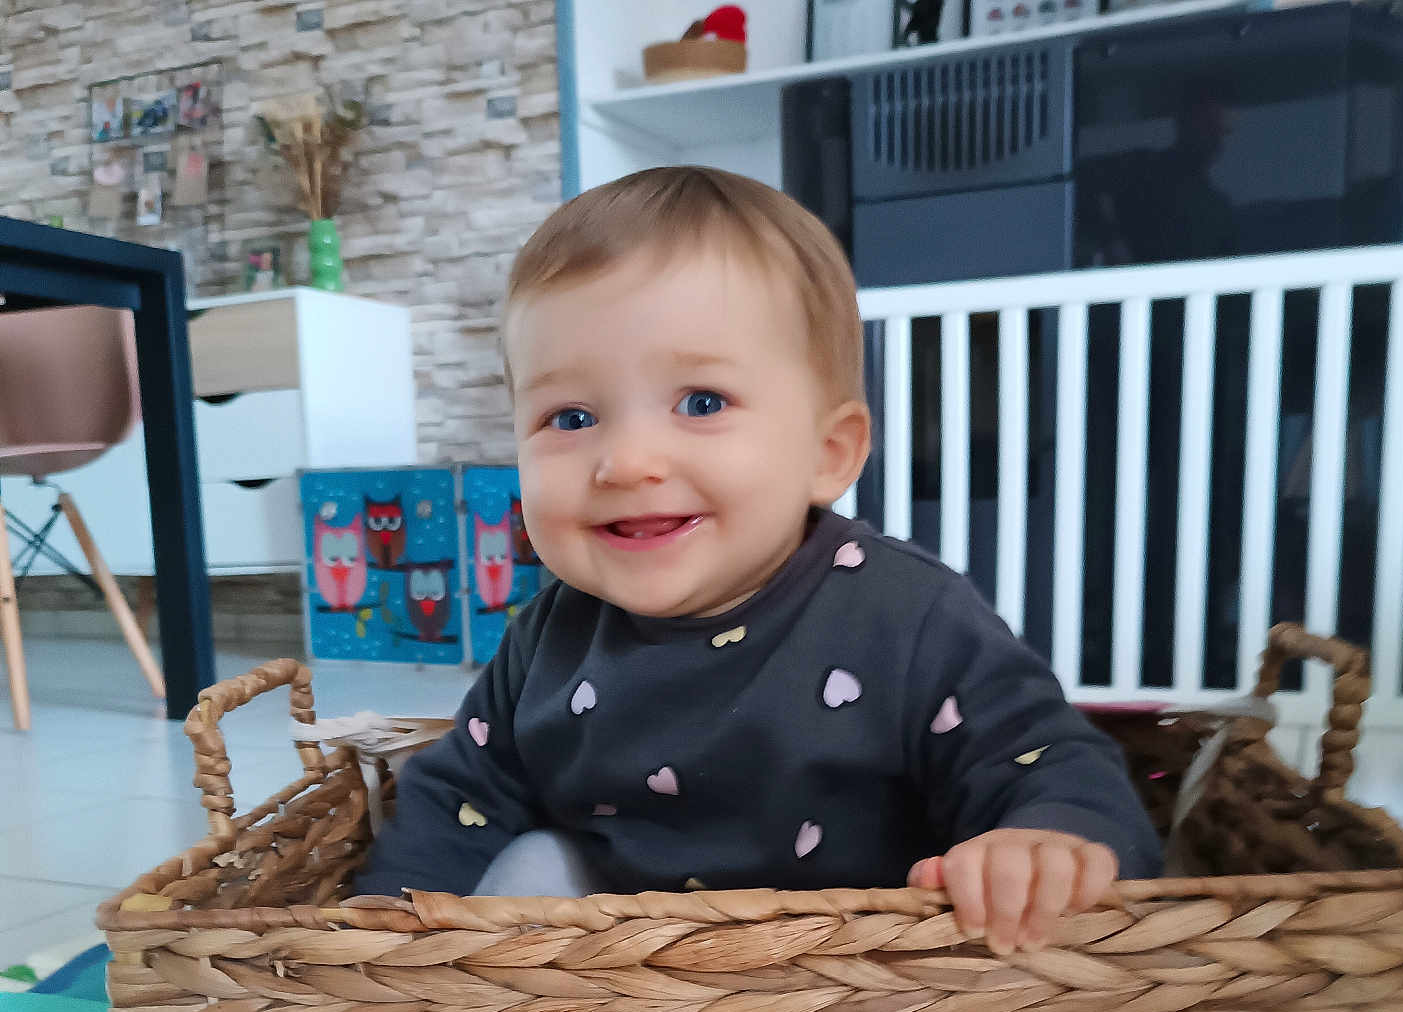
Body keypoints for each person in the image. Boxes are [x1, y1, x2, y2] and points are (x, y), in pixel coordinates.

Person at [356, 165, 1161, 956]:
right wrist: (381, 934)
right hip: (611, 991)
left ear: (829, 453)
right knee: (525, 866)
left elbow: (1037, 753)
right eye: (570, 416)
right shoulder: (549, 636)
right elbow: (460, 795)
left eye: (701, 403)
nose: (627, 462)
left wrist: (1044, 838)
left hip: (860, 985)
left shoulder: (906, 616)